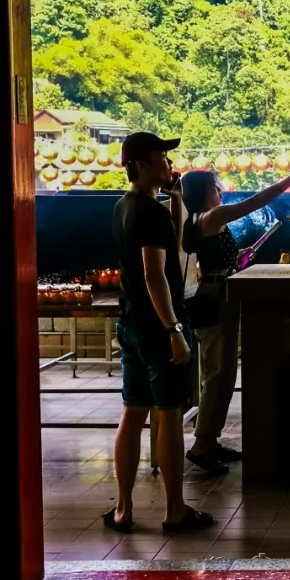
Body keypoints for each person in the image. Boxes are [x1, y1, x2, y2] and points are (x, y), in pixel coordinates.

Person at [107, 132, 212, 535]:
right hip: (158, 326)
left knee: (133, 411)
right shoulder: (149, 213)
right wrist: (174, 329)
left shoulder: (125, 207)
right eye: (163, 157)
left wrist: (178, 197)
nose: (170, 162)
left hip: (130, 324)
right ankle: (174, 510)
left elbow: (178, 238)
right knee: (168, 415)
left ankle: (123, 509)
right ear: (144, 163)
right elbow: (155, 274)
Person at [180, 163, 290, 473]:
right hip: (215, 299)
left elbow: (216, 258)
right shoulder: (213, 216)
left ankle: (210, 439)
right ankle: (201, 446)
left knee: (222, 375)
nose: (220, 191)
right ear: (201, 193)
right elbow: (257, 201)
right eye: (214, 186)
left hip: (219, 293)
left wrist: (239, 256)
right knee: (216, 376)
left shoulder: (201, 220)